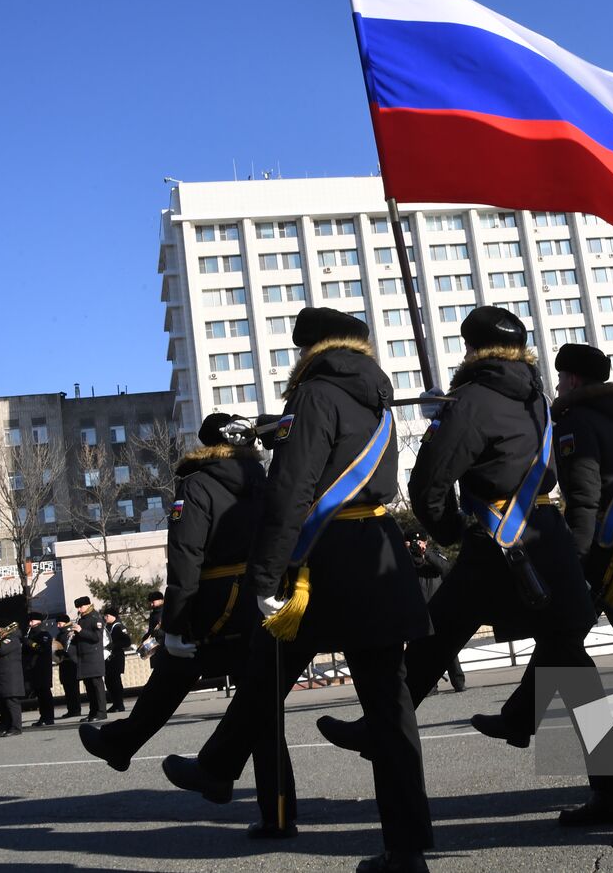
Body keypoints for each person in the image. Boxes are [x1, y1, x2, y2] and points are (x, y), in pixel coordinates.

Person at [317, 306, 613, 827]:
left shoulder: (471, 399)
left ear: (471, 349)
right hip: (546, 538)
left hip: (500, 547)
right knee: (567, 659)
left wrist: (447, 531)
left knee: (432, 639)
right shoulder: (536, 397)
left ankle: (381, 731)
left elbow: (429, 484)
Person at [160, 308, 433, 873]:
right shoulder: (373, 397)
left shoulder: (314, 397)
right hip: (380, 548)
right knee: (385, 707)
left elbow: (291, 491)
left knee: (272, 667)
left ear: (308, 350)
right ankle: (407, 847)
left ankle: (216, 765)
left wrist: (264, 575)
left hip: (331, 563)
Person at [478, 342, 613, 785]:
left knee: (573, 643)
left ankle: (521, 719)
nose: (557, 385)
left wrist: (574, 561)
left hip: (606, 554)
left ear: (572, 380)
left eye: (560, 378)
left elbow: (584, 500)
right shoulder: (611, 418)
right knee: (601, 650)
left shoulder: (575, 423)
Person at [81, 412, 265, 772]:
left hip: (212, 601)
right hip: (255, 597)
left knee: (174, 671)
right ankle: (278, 807)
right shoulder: (263, 480)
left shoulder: (197, 484)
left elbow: (186, 555)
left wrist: (176, 622)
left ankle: (122, 742)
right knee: (255, 703)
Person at [403, 528, 465, 693]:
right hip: (417, 612)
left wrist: (427, 554)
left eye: (420, 542)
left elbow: (447, 569)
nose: (416, 544)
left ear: (426, 542)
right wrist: (409, 552)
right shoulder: (401, 558)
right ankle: (430, 686)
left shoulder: (434, 555)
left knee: (448, 647)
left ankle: (458, 682)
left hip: (438, 607)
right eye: (412, 542)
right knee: (422, 652)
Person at [70, 597, 107, 722]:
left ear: (87, 605)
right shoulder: (81, 619)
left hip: (93, 657)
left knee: (97, 686)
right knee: (89, 687)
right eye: (78, 608)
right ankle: (93, 712)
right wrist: (74, 634)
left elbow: (96, 637)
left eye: (81, 607)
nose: (79, 610)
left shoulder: (95, 618)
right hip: (84, 658)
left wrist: (81, 631)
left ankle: (101, 712)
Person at [0, 624, 23, 737]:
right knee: (3, 704)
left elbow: (1, 650)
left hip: (10, 678)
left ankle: (16, 727)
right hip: (1, 677)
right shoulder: (3, 640)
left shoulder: (12, 639)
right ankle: (6, 726)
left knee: (12, 704)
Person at [21, 613, 55, 727]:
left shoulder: (44, 634)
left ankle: (49, 717)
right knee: (40, 695)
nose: (30, 623)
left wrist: (29, 643)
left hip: (42, 668)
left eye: (32, 621)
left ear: (38, 621)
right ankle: (43, 716)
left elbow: (42, 649)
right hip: (33, 668)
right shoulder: (30, 634)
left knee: (45, 693)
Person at [102, 607, 131, 713]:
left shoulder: (118, 627)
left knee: (115, 681)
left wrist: (113, 645)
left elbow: (127, 642)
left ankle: (120, 704)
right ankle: (115, 703)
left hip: (116, 657)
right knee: (109, 682)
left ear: (113, 616)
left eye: (107, 616)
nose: (105, 618)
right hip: (108, 658)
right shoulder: (108, 627)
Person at [53, 614, 83, 718]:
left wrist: (65, 653)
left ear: (65, 622)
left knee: (73, 688)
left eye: (59, 623)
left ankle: (76, 709)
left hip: (72, 662)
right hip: (64, 663)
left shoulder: (71, 632)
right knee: (67, 688)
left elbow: (72, 647)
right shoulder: (60, 634)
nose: (58, 625)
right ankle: (71, 709)